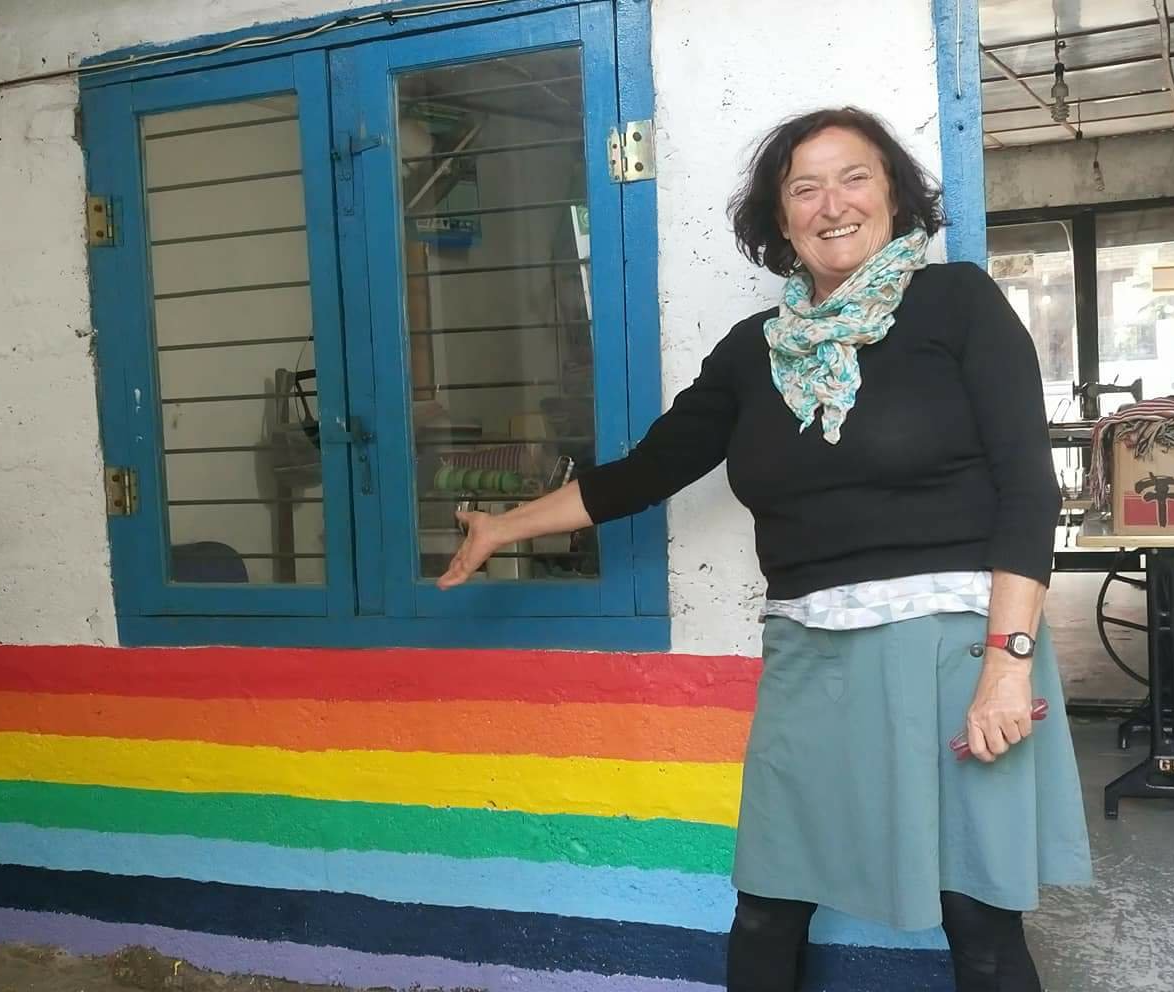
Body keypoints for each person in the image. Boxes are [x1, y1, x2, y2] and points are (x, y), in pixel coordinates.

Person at [440, 108, 1091, 991]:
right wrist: (503, 526)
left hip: (957, 652)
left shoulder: (958, 303)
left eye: (854, 177)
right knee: (768, 904)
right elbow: (646, 471)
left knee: (978, 919)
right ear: (781, 220)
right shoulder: (755, 354)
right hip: (811, 658)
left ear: (894, 194)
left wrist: (1009, 664)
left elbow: (1028, 489)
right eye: (805, 188)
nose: (833, 204)